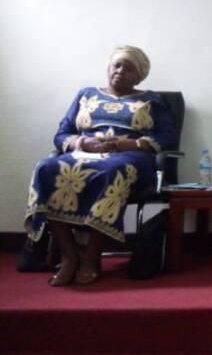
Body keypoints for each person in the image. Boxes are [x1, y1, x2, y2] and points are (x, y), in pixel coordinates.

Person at [24, 45, 176, 286]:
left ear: (139, 77)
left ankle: (92, 256)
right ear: (109, 68)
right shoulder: (86, 95)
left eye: (129, 68)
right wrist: (82, 142)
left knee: (112, 170)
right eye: (117, 65)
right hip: (84, 152)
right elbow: (62, 133)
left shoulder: (151, 100)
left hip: (129, 157)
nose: (120, 71)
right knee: (46, 167)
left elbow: (167, 137)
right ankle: (70, 255)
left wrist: (130, 143)